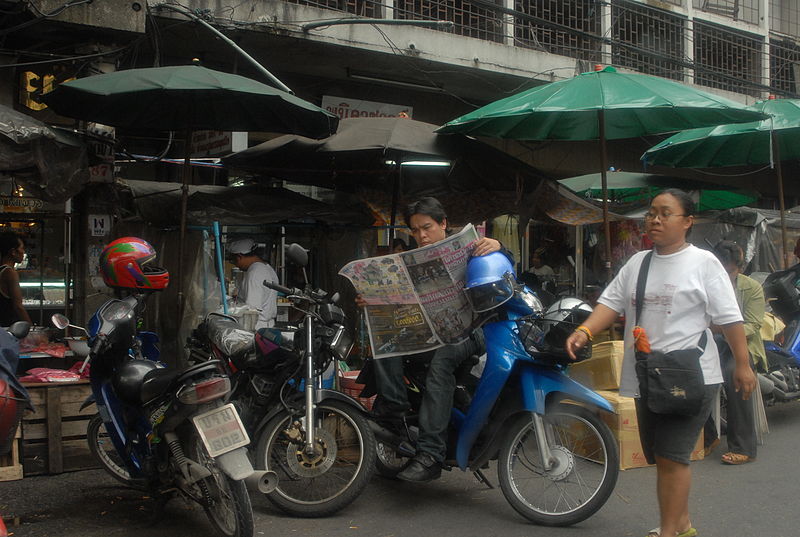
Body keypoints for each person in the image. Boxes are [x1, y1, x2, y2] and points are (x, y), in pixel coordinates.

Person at [565, 189, 756, 537]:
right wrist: (585, 331)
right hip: (645, 374)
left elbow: (730, 318)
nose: (655, 219)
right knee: (661, 457)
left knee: (672, 455)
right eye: (652, 212)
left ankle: (670, 532)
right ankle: (681, 524)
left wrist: (743, 364)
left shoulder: (704, 263)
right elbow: (611, 303)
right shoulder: (638, 263)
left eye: (665, 213)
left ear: (687, 222)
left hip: (691, 374)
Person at [356, 197, 510, 482]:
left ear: (443, 224)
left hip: (472, 331)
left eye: (427, 227)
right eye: (415, 231)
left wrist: (500, 247)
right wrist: (372, 301)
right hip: (430, 332)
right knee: (384, 342)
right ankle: (394, 412)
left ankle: (431, 454)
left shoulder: (471, 248)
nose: (421, 235)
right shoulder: (409, 261)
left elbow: (505, 266)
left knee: (443, 361)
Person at [703, 241, 763, 465]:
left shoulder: (752, 288)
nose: (726, 276)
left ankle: (743, 446)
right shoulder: (706, 284)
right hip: (711, 342)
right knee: (692, 374)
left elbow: (753, 325)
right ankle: (709, 436)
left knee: (734, 375)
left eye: (730, 271)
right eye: (722, 270)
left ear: (739, 267)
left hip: (741, 347)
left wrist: (726, 328)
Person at [228, 238, 279, 330]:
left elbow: (251, 311)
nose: (236, 265)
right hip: (267, 326)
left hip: (256, 328)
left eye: (234, 261)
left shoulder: (255, 273)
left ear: (239, 256)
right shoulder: (267, 268)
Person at [0, 231, 32, 326]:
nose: (23, 252)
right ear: (13, 252)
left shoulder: (3, 271)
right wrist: (31, 329)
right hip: (7, 331)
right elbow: (18, 307)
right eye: (22, 248)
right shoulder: (10, 273)